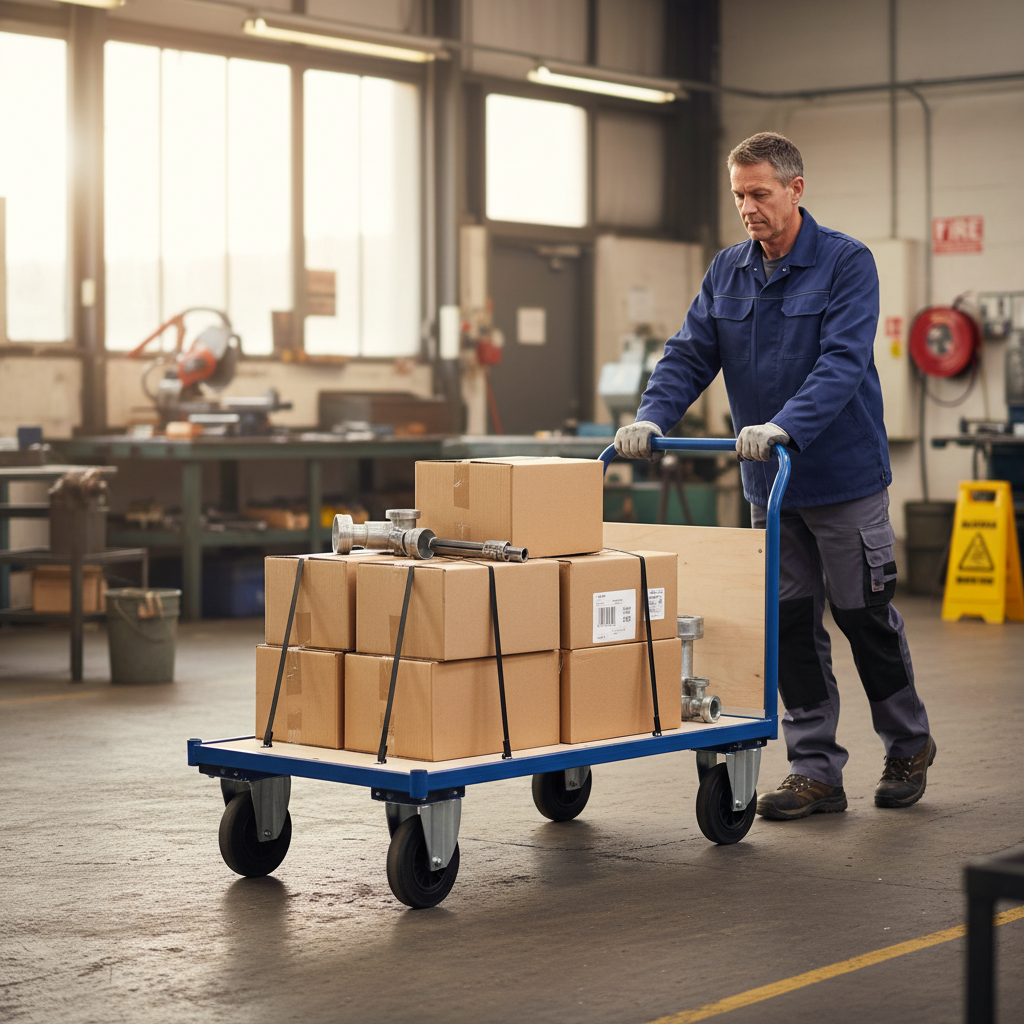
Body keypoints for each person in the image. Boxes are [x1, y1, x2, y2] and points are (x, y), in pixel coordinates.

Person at [615, 132, 935, 820]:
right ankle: (815, 769)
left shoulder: (847, 263)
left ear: (795, 188)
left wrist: (786, 425)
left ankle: (908, 745)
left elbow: (843, 362)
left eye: (760, 193)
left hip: (842, 478)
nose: (748, 208)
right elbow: (688, 353)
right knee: (789, 627)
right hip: (772, 487)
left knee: (863, 618)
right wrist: (650, 415)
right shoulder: (728, 270)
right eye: (738, 195)